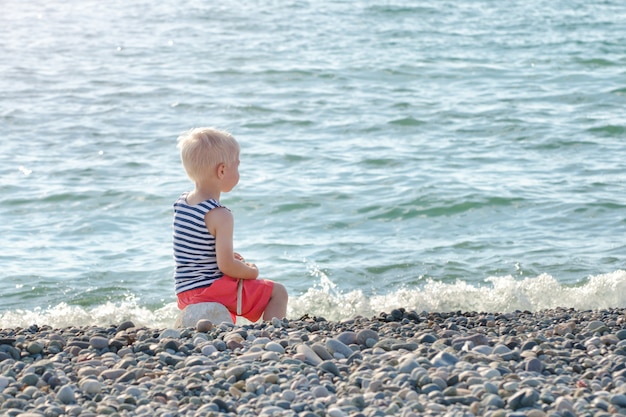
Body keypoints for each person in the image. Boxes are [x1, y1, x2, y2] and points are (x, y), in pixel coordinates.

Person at [173, 127, 288, 322]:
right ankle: (273, 335)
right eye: (237, 166)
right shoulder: (220, 215)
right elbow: (226, 265)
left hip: (185, 294)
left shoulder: (182, 203)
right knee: (278, 292)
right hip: (209, 291)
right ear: (222, 170)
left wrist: (216, 255)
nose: (238, 172)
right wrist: (251, 271)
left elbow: (193, 246)